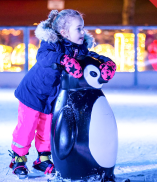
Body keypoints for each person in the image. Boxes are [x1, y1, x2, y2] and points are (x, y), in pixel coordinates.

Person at [9, 9, 116, 179]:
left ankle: (43, 160)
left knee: (47, 129)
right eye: (78, 29)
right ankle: (18, 159)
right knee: (27, 127)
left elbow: (90, 56)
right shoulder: (51, 44)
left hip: (53, 97)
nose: (83, 32)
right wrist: (63, 59)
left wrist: (105, 62)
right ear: (64, 32)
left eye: (83, 28)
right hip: (33, 94)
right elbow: (43, 57)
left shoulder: (79, 48)